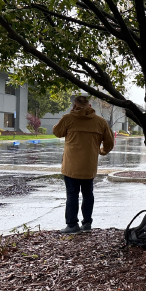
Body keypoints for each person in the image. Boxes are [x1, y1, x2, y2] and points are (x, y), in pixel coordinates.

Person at [53, 96, 114, 234]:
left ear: (74, 106)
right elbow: (109, 142)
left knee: (72, 194)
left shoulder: (68, 119)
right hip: (89, 165)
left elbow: (57, 132)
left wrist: (68, 115)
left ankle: (72, 225)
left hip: (71, 166)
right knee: (88, 194)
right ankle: (87, 223)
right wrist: (102, 151)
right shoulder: (100, 122)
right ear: (90, 106)